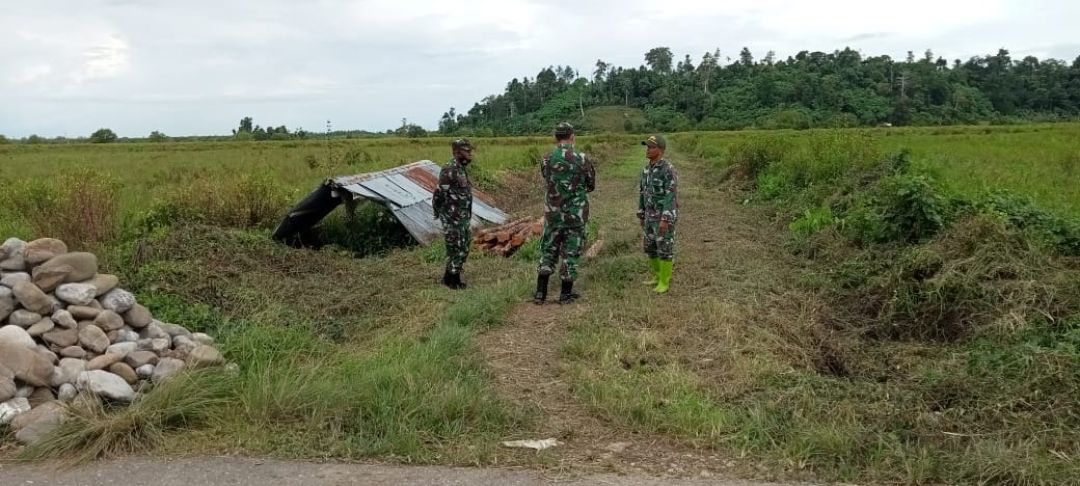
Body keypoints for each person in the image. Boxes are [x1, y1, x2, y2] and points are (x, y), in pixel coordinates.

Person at [533, 122, 596, 304]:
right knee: (571, 252)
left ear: (555, 138)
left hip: (553, 214)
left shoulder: (547, 159)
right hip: (575, 215)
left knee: (549, 250)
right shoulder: (582, 158)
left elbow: (548, 179)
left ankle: (540, 294)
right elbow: (590, 185)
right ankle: (565, 295)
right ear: (572, 136)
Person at [637, 134, 678, 293]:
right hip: (649, 217)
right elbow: (642, 193)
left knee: (665, 249)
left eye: (651, 147)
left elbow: (671, 195)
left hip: (662, 217)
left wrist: (666, 218)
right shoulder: (646, 169)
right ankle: (657, 275)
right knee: (650, 248)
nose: (647, 150)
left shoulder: (668, 169)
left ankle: (664, 281)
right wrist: (641, 213)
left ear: (660, 150)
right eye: (647, 146)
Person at [432, 138, 474, 289]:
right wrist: (439, 213)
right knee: (455, 247)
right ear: (457, 152)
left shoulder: (460, 169)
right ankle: (453, 282)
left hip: (462, 217)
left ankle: (448, 277)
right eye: (467, 151)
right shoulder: (449, 169)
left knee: (464, 246)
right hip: (452, 218)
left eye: (471, 151)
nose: (470, 154)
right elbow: (438, 194)